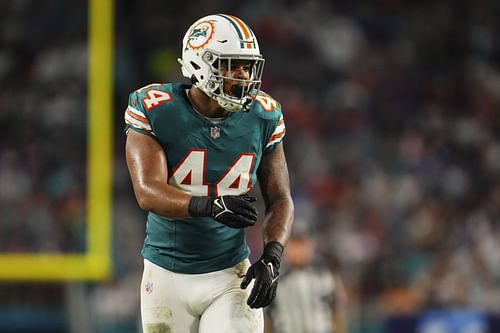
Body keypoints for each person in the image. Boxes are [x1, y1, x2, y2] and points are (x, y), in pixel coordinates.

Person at [124, 14, 294, 333]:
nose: (243, 76)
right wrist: (209, 204)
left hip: (230, 274)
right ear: (200, 63)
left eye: (248, 66)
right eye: (232, 65)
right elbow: (147, 190)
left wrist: (272, 257)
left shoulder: (263, 115)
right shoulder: (156, 107)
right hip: (166, 274)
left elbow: (281, 199)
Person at [264, 218, 347, 333]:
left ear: (312, 243)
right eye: (294, 243)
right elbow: (266, 319)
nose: (299, 249)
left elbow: (337, 309)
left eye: (303, 243)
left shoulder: (326, 271)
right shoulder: (273, 276)